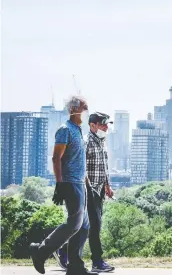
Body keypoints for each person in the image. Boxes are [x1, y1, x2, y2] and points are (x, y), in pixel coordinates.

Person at [30, 96, 97, 275]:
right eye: (84, 106)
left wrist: (86, 183)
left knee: (83, 227)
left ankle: (75, 266)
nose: (86, 110)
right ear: (73, 108)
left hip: (80, 184)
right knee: (74, 224)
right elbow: (56, 158)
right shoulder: (65, 130)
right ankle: (41, 251)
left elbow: (79, 160)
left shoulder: (78, 130)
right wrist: (60, 184)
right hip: (70, 183)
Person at [54, 112, 116, 272]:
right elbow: (82, 168)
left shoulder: (102, 141)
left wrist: (107, 186)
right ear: (92, 125)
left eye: (107, 124)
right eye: (102, 124)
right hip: (88, 190)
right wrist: (89, 188)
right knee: (93, 226)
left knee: (86, 226)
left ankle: (63, 251)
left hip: (99, 189)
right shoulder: (86, 142)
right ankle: (97, 261)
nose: (105, 127)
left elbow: (103, 167)